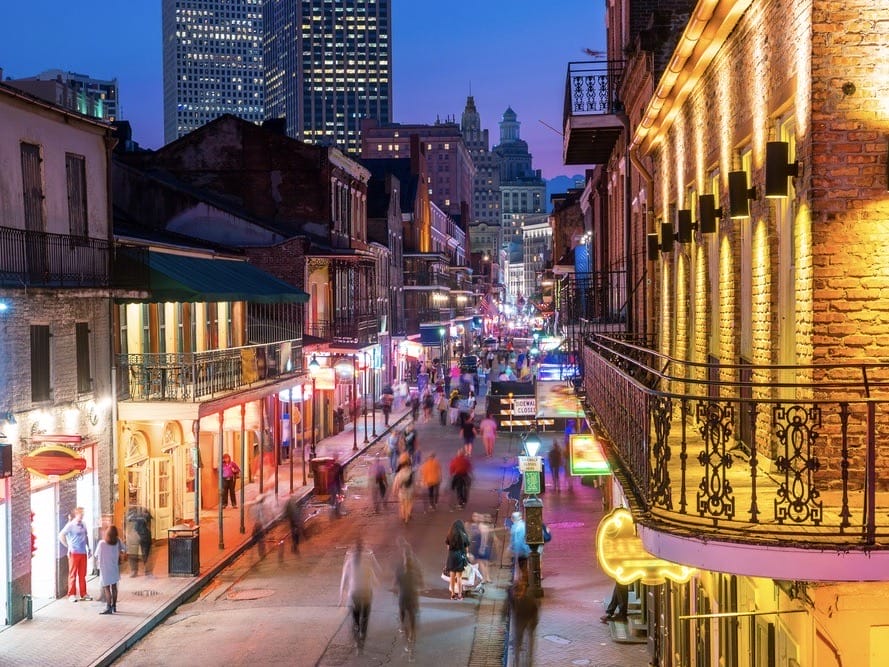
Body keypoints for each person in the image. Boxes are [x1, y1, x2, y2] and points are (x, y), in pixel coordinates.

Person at [340, 538, 381, 653]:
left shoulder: (349, 560)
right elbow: (377, 571)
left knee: (355, 618)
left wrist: (341, 599)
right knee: (365, 618)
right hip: (367, 593)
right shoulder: (368, 558)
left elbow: (343, 581)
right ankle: (362, 636)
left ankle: (357, 641)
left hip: (354, 594)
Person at [394, 538, 423, 660]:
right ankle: (411, 646)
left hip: (403, 599)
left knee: (403, 621)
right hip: (413, 599)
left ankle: (407, 641)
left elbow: (395, 584)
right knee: (413, 623)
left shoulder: (400, 569)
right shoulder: (416, 568)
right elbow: (421, 582)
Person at [505, 566, 540, 664]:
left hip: (529, 618)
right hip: (519, 620)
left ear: (523, 591)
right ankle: (516, 660)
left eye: (519, 594)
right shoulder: (510, 595)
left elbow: (535, 612)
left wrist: (532, 625)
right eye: (516, 595)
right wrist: (505, 617)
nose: (518, 596)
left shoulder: (530, 600)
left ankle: (529, 658)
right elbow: (507, 607)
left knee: (530, 639)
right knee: (517, 641)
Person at [58, 507, 92, 602]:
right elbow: (61, 535)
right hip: (74, 553)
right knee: (72, 574)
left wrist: (88, 548)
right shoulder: (70, 525)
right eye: (80, 514)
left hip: (83, 552)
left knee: (82, 574)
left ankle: (83, 593)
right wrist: (68, 546)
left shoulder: (83, 524)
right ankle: (71, 594)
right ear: (76, 514)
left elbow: (86, 536)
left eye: (83, 514)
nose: (82, 516)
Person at [95, 525, 126, 614]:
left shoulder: (101, 543)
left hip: (105, 569)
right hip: (114, 567)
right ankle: (114, 606)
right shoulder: (118, 541)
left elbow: (96, 555)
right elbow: (125, 549)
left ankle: (108, 607)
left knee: (107, 588)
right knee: (114, 587)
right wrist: (120, 553)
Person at [445, 519, 471, 600]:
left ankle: (452, 594)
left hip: (452, 556)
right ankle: (460, 594)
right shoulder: (464, 535)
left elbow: (448, 547)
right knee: (459, 577)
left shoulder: (450, 535)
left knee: (452, 576)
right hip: (460, 556)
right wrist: (466, 555)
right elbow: (467, 549)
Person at [125, 505, 152, 576]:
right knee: (133, 553)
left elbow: (148, 519)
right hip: (135, 534)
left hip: (143, 534)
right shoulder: (131, 511)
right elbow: (127, 521)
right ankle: (135, 570)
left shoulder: (143, 510)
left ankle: (146, 569)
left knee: (145, 553)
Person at [469, 513, 494, 584]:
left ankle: (484, 578)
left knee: (481, 563)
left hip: (480, 546)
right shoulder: (486, 526)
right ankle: (488, 578)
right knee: (485, 563)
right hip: (485, 546)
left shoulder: (480, 526)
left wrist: (481, 548)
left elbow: (483, 538)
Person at [392, 454, 415, 523]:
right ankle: (407, 516)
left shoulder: (399, 474)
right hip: (410, 490)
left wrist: (394, 491)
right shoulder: (410, 472)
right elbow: (413, 482)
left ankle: (403, 515)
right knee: (409, 503)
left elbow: (396, 483)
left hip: (402, 491)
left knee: (402, 504)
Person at [509, 511, 531, 578]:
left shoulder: (518, 527)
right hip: (524, 550)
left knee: (523, 568)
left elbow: (518, 541)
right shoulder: (521, 525)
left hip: (522, 551)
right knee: (523, 567)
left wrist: (515, 551)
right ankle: (525, 580)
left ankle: (525, 582)